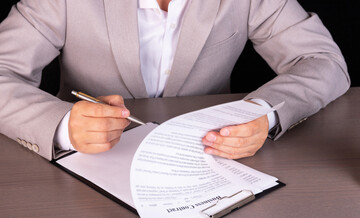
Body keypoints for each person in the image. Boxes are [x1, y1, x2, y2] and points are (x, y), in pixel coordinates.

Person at [0, 0, 350, 160]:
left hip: (207, 159)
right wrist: (63, 125)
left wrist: (264, 112)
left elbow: (323, 61)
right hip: (88, 168)